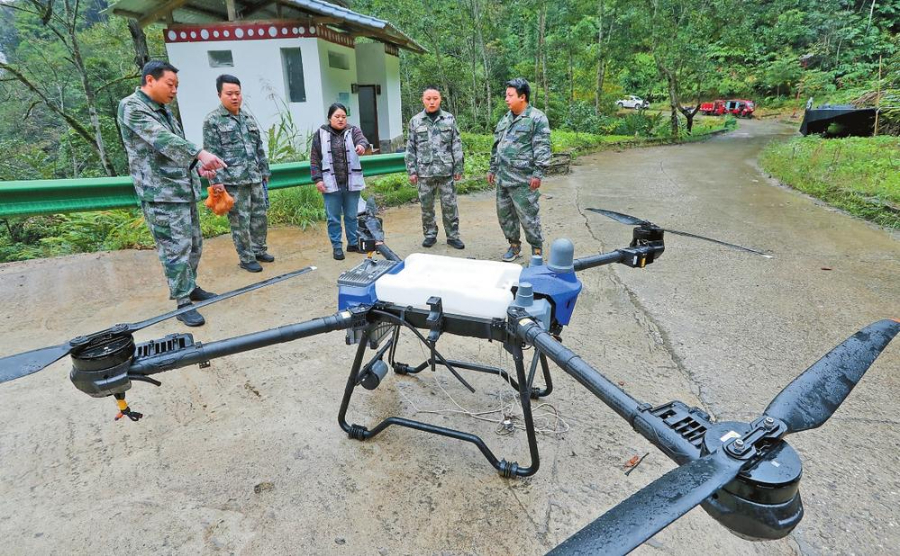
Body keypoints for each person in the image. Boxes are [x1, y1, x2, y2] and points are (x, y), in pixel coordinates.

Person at [118, 60, 226, 327]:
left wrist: (197, 167)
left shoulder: (164, 110)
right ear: (150, 80)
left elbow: (175, 150)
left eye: (177, 85)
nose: (174, 90)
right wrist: (200, 153)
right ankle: (182, 302)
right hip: (161, 194)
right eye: (170, 84)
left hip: (181, 189)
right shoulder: (132, 107)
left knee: (193, 245)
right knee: (175, 250)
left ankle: (190, 287)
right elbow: (162, 140)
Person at [202, 74, 273, 273]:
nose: (234, 97)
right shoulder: (212, 121)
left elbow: (259, 147)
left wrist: (264, 171)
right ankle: (246, 258)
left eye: (237, 93)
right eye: (229, 93)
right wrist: (217, 182)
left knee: (259, 217)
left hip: (254, 178)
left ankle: (259, 250)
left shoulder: (247, 118)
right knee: (241, 222)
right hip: (232, 181)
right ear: (220, 95)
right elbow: (211, 154)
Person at [487, 78, 551, 262]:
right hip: (503, 178)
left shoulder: (536, 118)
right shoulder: (505, 119)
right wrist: (492, 169)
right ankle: (514, 246)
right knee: (505, 216)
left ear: (522, 97)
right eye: (506, 95)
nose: (506, 99)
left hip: (523, 180)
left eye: (510, 95)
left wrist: (538, 173)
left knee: (528, 217)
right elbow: (497, 146)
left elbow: (542, 147)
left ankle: (537, 251)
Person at [405, 85, 465, 249]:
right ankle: (430, 235)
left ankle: (453, 236)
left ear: (440, 100)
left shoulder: (449, 119)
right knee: (426, 207)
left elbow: (456, 144)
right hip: (424, 172)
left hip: (446, 171)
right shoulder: (415, 121)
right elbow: (410, 147)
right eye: (428, 99)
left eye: (435, 99)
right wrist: (411, 171)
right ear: (423, 100)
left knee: (450, 206)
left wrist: (458, 167)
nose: (432, 102)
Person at [309, 103, 370, 260]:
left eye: (343, 116)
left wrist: (361, 146)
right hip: (330, 183)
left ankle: (353, 243)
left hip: (351, 183)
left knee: (351, 216)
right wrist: (317, 179)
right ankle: (337, 247)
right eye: (337, 116)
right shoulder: (320, 133)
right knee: (333, 218)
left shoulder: (353, 130)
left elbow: (362, 140)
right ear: (329, 118)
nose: (341, 119)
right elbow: (314, 158)